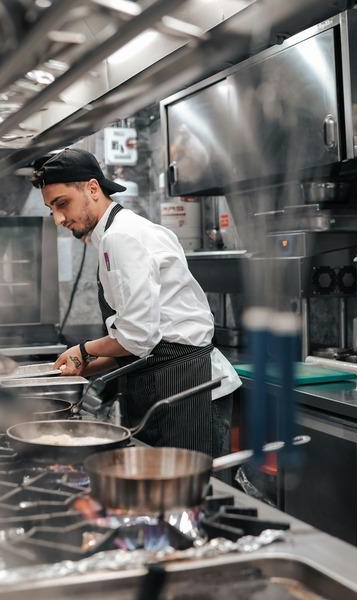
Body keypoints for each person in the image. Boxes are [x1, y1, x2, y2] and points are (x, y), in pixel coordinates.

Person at [32, 148, 241, 456]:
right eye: (52, 209)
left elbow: (137, 335)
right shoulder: (120, 234)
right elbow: (143, 341)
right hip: (169, 381)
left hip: (186, 388)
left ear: (92, 188)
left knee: (189, 495)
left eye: (62, 204)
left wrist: (84, 350)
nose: (59, 219)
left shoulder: (121, 237)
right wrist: (83, 365)